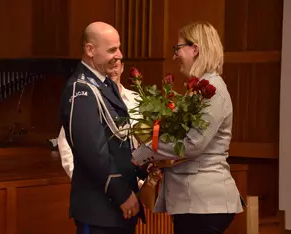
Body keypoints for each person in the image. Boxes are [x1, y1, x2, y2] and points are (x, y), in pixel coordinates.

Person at [132, 21, 244, 234]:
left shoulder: (213, 90)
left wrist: (144, 153)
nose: (175, 56)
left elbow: (192, 144)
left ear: (195, 49)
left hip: (204, 202)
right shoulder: (200, 88)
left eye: (178, 48)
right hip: (195, 202)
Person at [59, 22, 145, 234]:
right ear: (90, 50)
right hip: (100, 210)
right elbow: (93, 153)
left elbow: (120, 143)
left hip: (115, 210)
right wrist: (122, 194)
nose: (120, 55)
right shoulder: (81, 89)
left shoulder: (103, 85)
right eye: (112, 50)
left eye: (119, 48)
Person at [58, 60, 142, 182]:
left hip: (136, 180)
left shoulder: (137, 100)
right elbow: (66, 141)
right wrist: (79, 179)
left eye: (116, 66)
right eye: (109, 66)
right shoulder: (88, 98)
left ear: (122, 67)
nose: (113, 70)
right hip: (100, 184)